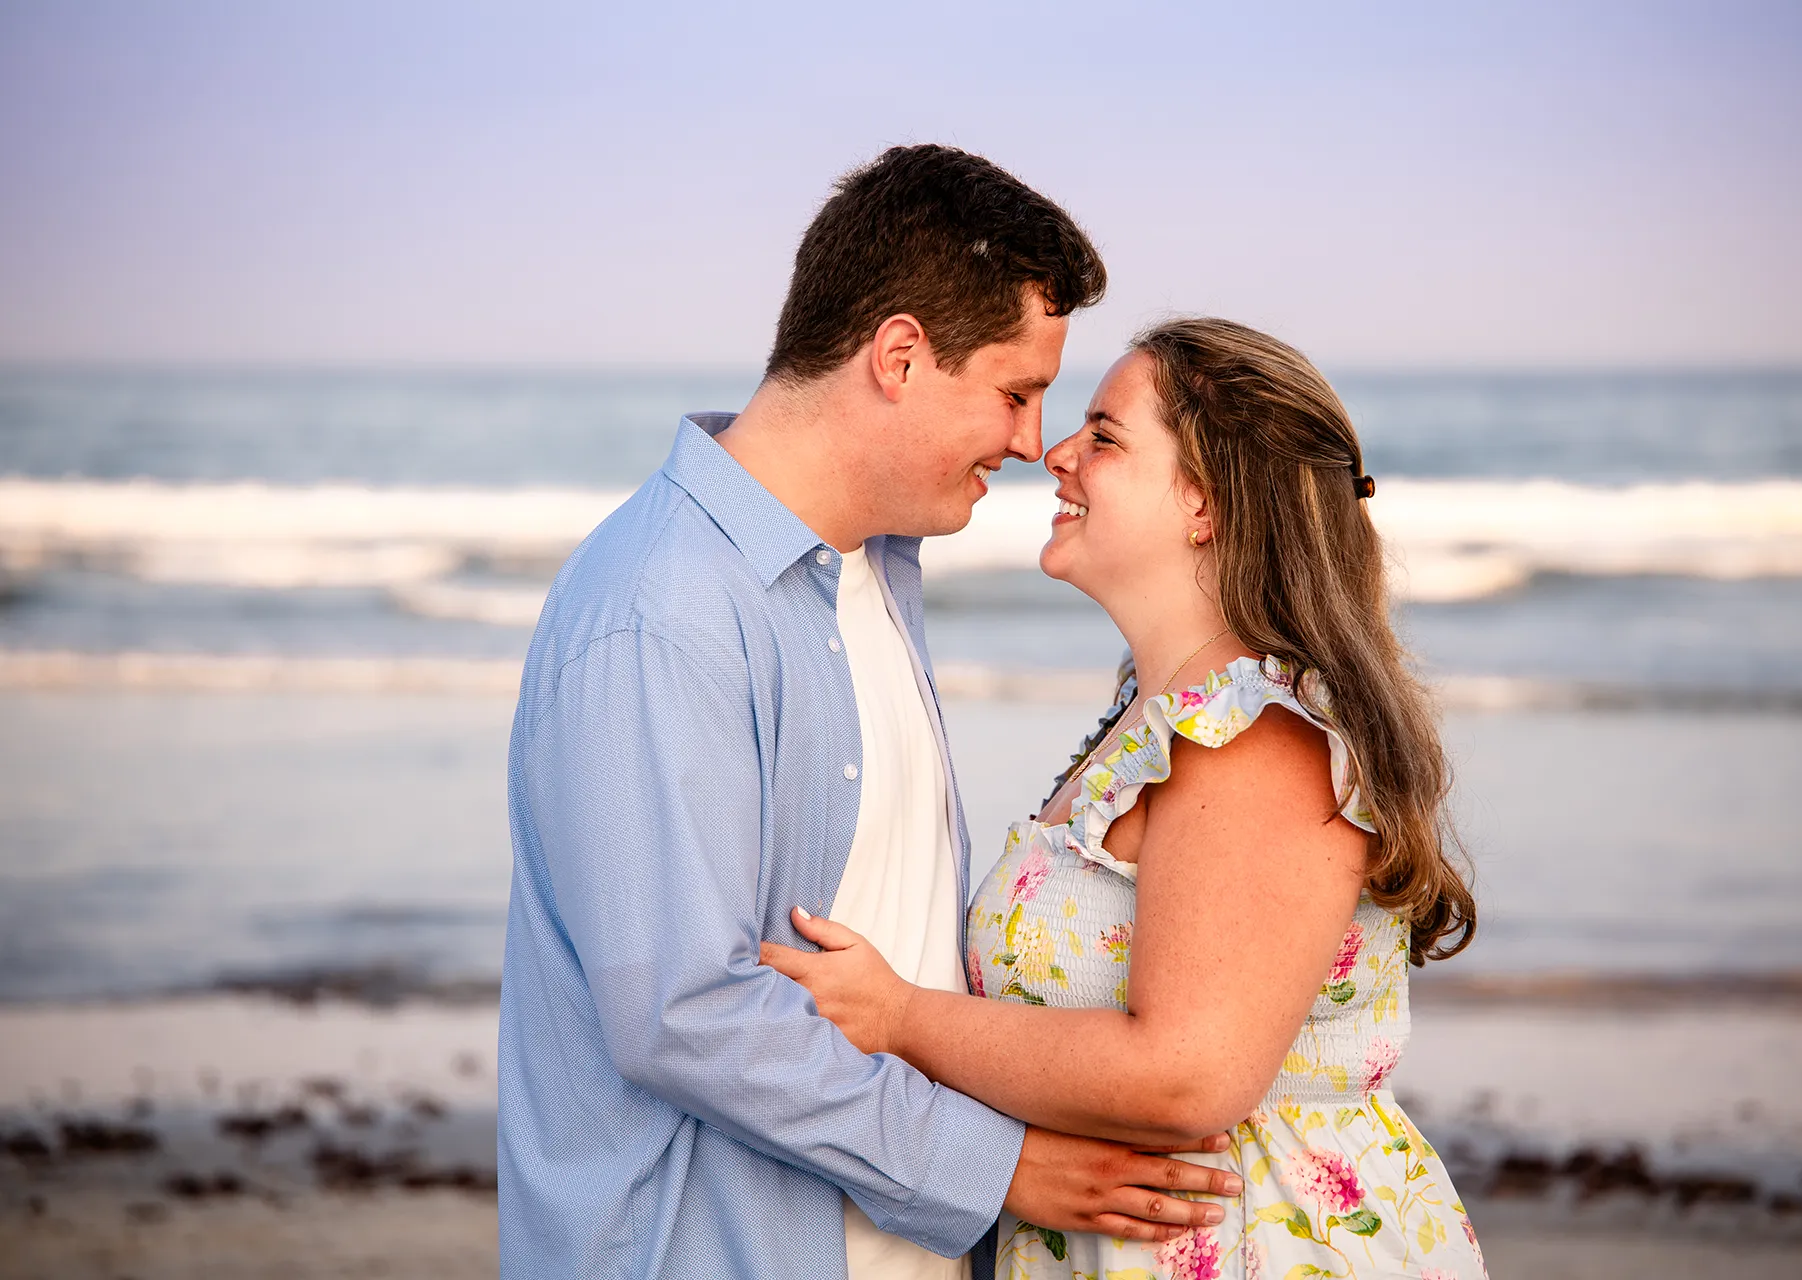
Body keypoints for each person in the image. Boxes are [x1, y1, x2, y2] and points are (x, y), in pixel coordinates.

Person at [496, 145, 1241, 1280]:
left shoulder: (874, 569)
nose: (1035, 441)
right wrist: (993, 1165)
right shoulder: (662, 613)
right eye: (1014, 390)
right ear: (899, 355)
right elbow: (683, 1010)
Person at [763, 318, 1489, 1279]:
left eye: (1104, 436)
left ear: (1206, 502)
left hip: (1262, 1247)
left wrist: (899, 1019)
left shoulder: (1254, 741)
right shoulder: (1160, 719)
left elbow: (1188, 1075)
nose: (1056, 453)